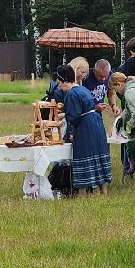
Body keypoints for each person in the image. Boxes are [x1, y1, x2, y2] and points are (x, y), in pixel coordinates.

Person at [55, 64, 111, 194]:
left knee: (84, 155)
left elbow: (74, 117)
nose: (58, 85)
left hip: (86, 127)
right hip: (96, 123)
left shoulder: (71, 94)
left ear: (63, 80)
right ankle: (103, 190)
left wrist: (69, 134)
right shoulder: (82, 89)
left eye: (59, 82)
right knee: (97, 154)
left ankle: (82, 192)